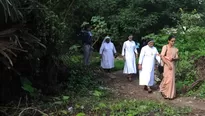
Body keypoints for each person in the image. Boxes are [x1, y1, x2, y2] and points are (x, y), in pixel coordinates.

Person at [159, 35, 179, 100]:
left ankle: (171, 94)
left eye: (174, 41)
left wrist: (173, 59)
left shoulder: (175, 49)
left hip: (172, 64)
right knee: (167, 78)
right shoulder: (165, 47)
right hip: (167, 65)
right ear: (169, 41)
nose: (173, 42)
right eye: (172, 41)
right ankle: (164, 91)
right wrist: (168, 64)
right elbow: (162, 56)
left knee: (171, 79)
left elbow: (177, 58)